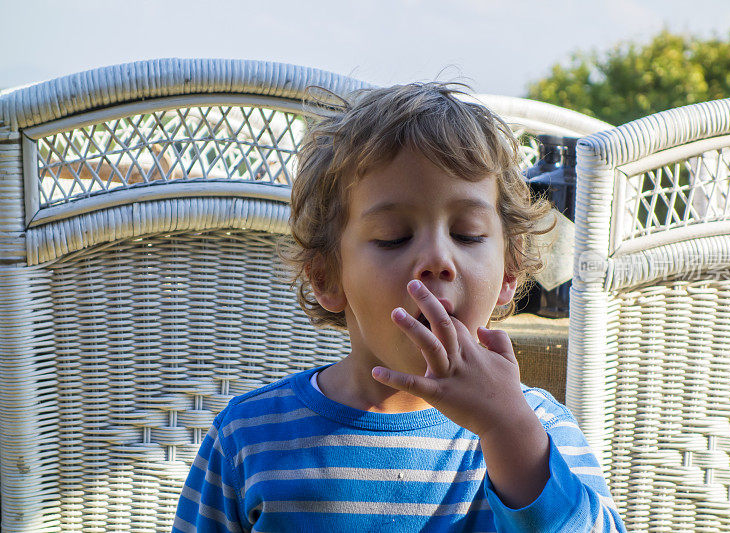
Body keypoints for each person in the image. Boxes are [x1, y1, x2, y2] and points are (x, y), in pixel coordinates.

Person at [172, 82, 626, 532]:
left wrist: (510, 435)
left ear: (509, 271)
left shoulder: (538, 429)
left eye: (467, 233)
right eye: (393, 236)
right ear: (328, 277)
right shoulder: (248, 439)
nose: (437, 260)